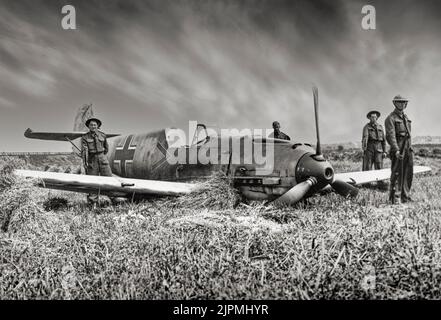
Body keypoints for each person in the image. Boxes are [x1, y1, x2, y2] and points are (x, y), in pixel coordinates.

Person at [385, 95, 413, 204]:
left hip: (407, 148)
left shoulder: (405, 117)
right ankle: (395, 198)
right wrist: (396, 150)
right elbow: (390, 136)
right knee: (397, 173)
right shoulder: (391, 118)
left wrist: (409, 148)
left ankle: (405, 196)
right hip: (398, 147)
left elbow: (409, 134)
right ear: (395, 103)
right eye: (400, 102)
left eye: (404, 102)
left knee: (408, 173)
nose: (403, 104)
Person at [81, 117, 113, 206]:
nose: (93, 126)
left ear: (98, 126)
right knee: (92, 181)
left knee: (108, 178)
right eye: (91, 125)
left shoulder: (102, 135)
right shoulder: (85, 137)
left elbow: (106, 148)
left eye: (95, 125)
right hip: (92, 159)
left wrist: (102, 156)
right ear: (88, 126)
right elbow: (84, 151)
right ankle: (93, 203)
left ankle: (114, 198)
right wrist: (85, 162)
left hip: (102, 158)